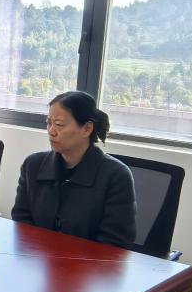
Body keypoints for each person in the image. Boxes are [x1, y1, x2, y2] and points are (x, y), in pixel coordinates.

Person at [12, 90, 136, 248]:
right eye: (48, 123)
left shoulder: (116, 176)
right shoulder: (33, 165)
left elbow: (114, 244)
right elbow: (21, 222)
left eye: (59, 124)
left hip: (87, 262)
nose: (51, 131)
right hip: (38, 258)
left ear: (87, 129)